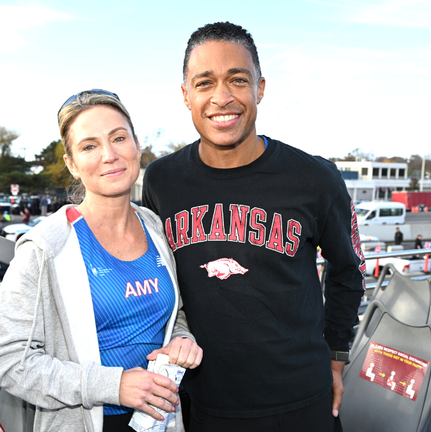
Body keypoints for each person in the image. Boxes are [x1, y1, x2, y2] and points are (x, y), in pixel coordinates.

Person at [142, 22, 365, 432]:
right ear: (186, 95)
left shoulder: (315, 178)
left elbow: (349, 270)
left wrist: (337, 354)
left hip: (300, 398)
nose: (222, 97)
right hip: (202, 399)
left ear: (260, 88)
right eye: (205, 83)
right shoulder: (161, 180)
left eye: (238, 80)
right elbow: (153, 278)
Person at [0, 90, 202, 432]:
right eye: (89, 146)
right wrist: (113, 385)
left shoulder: (156, 228)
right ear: (72, 164)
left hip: (160, 421)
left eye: (119, 138)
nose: (109, 155)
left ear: (137, 146)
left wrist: (182, 339)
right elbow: (9, 360)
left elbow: (173, 316)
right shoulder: (45, 247)